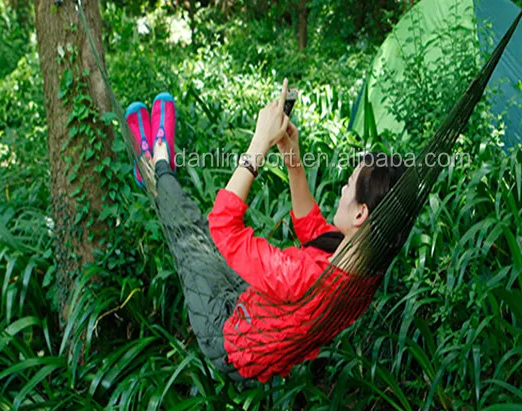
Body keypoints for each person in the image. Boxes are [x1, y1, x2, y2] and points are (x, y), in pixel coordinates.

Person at [126, 80, 406, 383]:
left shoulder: (304, 276)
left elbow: (223, 225)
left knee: (188, 236)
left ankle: (159, 162)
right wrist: (292, 157)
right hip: (255, 308)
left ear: (361, 213)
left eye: (349, 185)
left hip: (227, 336)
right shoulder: (364, 261)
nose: (342, 190)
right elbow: (314, 230)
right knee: (205, 241)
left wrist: (259, 143)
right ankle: (159, 164)